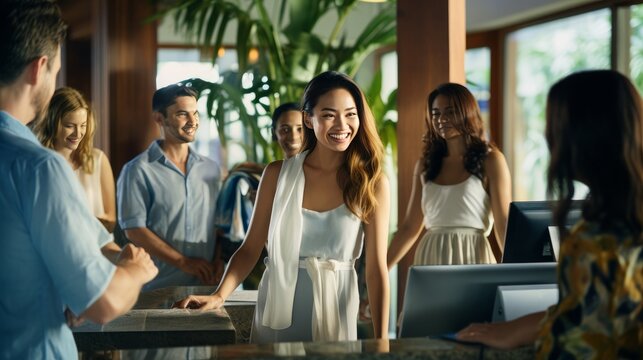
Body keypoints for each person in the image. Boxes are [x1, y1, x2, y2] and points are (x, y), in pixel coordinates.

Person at [174, 71, 390, 344]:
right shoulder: (278, 174)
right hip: (278, 310)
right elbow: (250, 248)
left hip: (336, 307)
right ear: (309, 119)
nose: (342, 124)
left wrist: (383, 342)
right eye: (328, 114)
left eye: (350, 114)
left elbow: (376, 270)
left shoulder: (371, 182)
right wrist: (218, 296)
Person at [0, 1, 158, 358]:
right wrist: (134, 270)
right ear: (39, 68)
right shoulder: (40, 167)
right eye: (56, 69)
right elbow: (102, 302)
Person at [457, 70, 643, 358]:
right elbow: (592, 307)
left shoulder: (600, 237)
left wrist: (526, 331)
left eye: (555, 125)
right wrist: (527, 326)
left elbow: (588, 339)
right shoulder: (619, 214)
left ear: (588, 131)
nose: (546, 135)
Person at [387, 83, 511, 267]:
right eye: (436, 113)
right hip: (431, 257)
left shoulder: (492, 160)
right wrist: (378, 272)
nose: (441, 119)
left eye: (450, 112)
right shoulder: (425, 164)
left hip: (473, 255)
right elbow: (409, 228)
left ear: (467, 113)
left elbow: (504, 224)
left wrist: (516, 270)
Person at [117, 83, 223, 291]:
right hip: (155, 290)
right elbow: (134, 230)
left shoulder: (211, 169)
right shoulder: (137, 170)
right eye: (182, 114)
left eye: (195, 113)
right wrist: (184, 262)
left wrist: (219, 262)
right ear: (159, 118)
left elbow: (219, 226)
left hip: (206, 290)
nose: (193, 121)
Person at [33, 87, 122, 262]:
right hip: (55, 256)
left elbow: (111, 219)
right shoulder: (39, 165)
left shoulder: (98, 160)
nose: (78, 133)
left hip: (98, 254)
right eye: (69, 126)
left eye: (83, 125)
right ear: (52, 122)